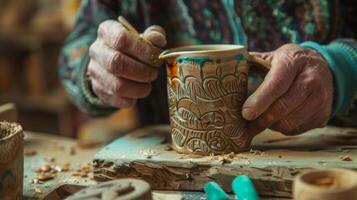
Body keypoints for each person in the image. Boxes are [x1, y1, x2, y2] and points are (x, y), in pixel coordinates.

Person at [59, 0, 357, 136]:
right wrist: (97, 66)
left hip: (329, 167)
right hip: (173, 172)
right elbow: (79, 43)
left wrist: (344, 67)